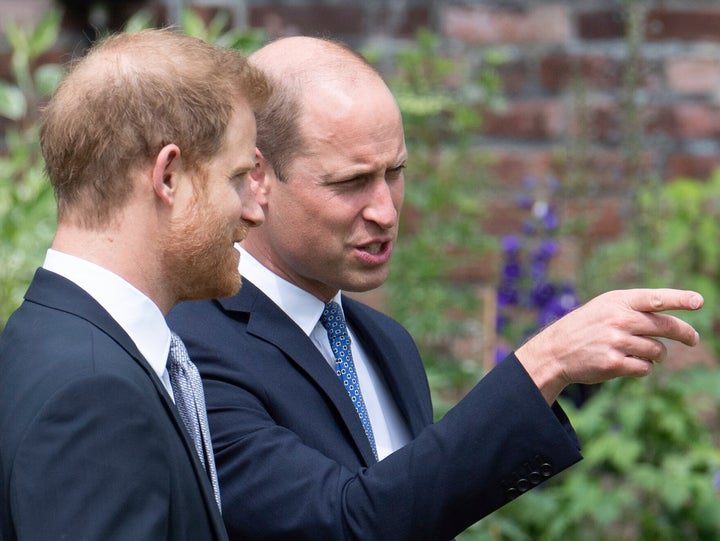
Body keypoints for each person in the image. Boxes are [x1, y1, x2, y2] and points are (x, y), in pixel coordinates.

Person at [168, 36, 703, 541]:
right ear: (257, 178)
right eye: (350, 182)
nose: (384, 210)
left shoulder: (384, 342)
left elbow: (414, 513)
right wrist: (544, 364)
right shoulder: (191, 345)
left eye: (394, 172)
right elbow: (345, 524)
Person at [0, 28, 271, 540]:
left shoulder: (45, 338)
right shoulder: (94, 397)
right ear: (168, 176)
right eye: (237, 178)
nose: (255, 210)